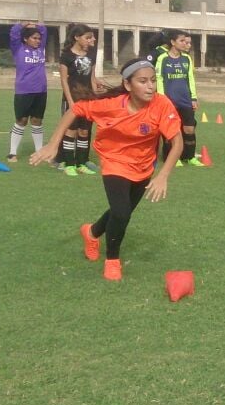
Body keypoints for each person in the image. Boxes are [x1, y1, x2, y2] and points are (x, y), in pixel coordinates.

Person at [28, 57, 183, 281]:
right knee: (121, 212)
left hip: (143, 164)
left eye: (153, 80)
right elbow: (76, 110)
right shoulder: (110, 105)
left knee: (123, 211)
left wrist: (163, 176)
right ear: (128, 85)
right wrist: (53, 144)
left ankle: (91, 232)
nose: (150, 86)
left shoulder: (162, 104)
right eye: (143, 81)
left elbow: (176, 142)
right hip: (114, 161)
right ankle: (112, 260)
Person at [57, 23, 104, 176]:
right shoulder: (66, 56)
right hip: (73, 98)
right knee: (71, 131)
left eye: (92, 37)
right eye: (88, 37)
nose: (92, 40)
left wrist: (95, 95)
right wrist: (70, 101)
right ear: (77, 38)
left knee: (84, 131)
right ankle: (69, 164)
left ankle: (81, 163)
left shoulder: (91, 54)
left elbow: (91, 77)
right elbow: (64, 80)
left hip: (88, 99)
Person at [154, 29, 202, 166]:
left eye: (185, 41)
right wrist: (163, 99)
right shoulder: (163, 58)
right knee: (171, 130)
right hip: (169, 102)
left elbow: (190, 79)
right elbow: (159, 78)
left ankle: (190, 156)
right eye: (181, 41)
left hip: (186, 100)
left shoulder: (186, 58)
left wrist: (193, 98)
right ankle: (172, 157)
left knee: (189, 129)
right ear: (173, 42)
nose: (185, 44)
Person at [8, 21, 48, 163]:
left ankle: (39, 152)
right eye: (34, 38)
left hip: (41, 91)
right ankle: (12, 153)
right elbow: (14, 33)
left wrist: (37, 26)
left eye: (39, 38)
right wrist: (23, 25)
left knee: (37, 121)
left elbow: (44, 30)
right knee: (22, 120)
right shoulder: (18, 48)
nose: (38, 41)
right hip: (23, 91)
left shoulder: (41, 48)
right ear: (25, 39)